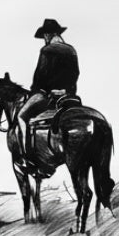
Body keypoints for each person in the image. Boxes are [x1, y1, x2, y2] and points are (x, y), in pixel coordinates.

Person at [17, 18, 80, 155]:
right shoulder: (71, 50)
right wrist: (66, 90)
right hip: (69, 95)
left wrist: (35, 91)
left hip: (48, 95)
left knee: (21, 116)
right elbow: (75, 73)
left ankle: (27, 154)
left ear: (47, 35)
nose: (44, 38)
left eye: (44, 36)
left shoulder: (46, 50)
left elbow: (39, 77)